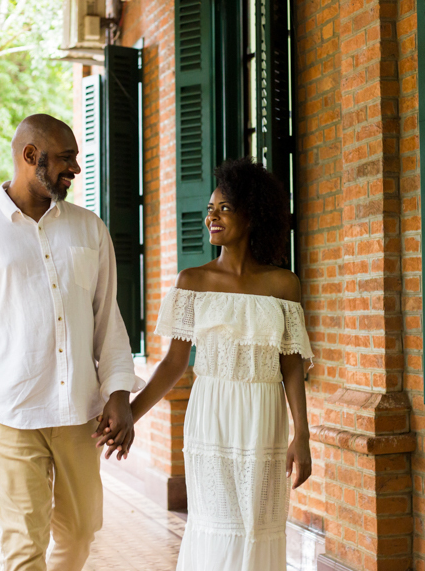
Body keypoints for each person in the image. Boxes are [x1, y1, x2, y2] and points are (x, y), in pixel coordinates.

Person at [0, 114, 143, 571]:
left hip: (80, 411)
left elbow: (107, 319)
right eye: (66, 159)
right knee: (24, 543)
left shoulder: (89, 230)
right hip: (9, 411)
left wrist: (118, 394)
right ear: (30, 156)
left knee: (80, 532)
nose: (75, 169)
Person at [128, 158, 313, 571]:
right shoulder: (192, 282)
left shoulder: (284, 284)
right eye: (210, 208)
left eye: (224, 207)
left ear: (253, 214)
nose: (212, 215)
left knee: (259, 524)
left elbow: (292, 368)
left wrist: (302, 435)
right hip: (212, 415)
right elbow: (174, 365)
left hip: (264, 417)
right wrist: (131, 415)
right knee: (216, 523)